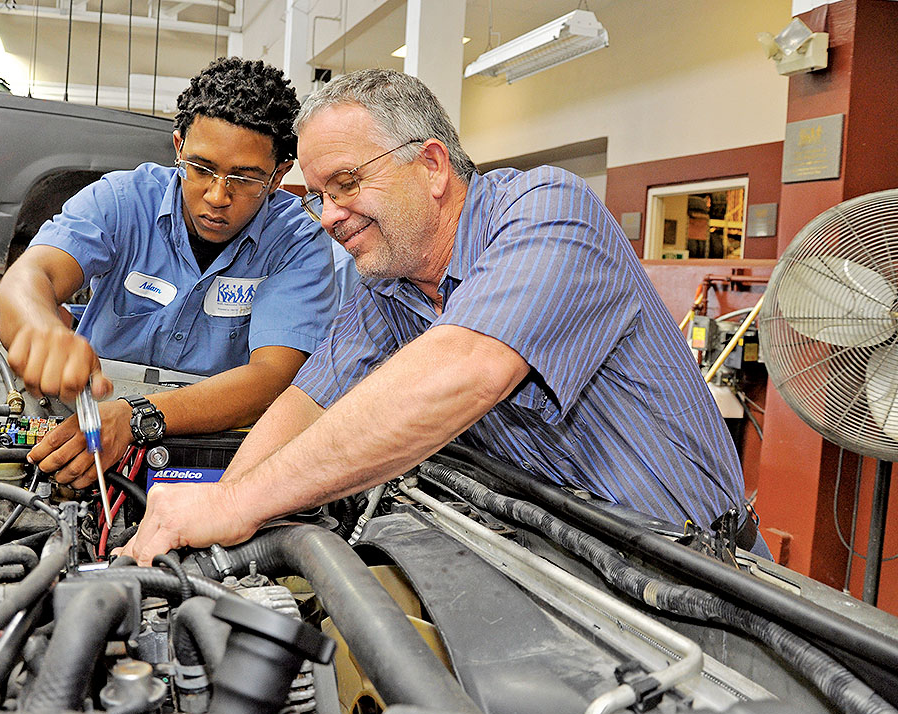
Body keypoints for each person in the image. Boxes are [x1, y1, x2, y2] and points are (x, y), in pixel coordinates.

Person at [124, 68, 765, 564]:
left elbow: (464, 367)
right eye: (318, 194)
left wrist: (239, 504)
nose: (327, 215)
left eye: (346, 184)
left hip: (701, 578)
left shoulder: (548, 214)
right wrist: (213, 511)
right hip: (557, 565)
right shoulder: (390, 287)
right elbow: (307, 402)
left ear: (430, 166)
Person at [0, 58, 350, 487]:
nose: (218, 196)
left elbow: (274, 377)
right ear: (178, 146)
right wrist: (39, 328)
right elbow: (30, 277)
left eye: (245, 178)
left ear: (278, 176)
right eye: (201, 169)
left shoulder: (298, 240)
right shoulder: (122, 201)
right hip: (85, 427)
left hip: (210, 448)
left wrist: (137, 416)